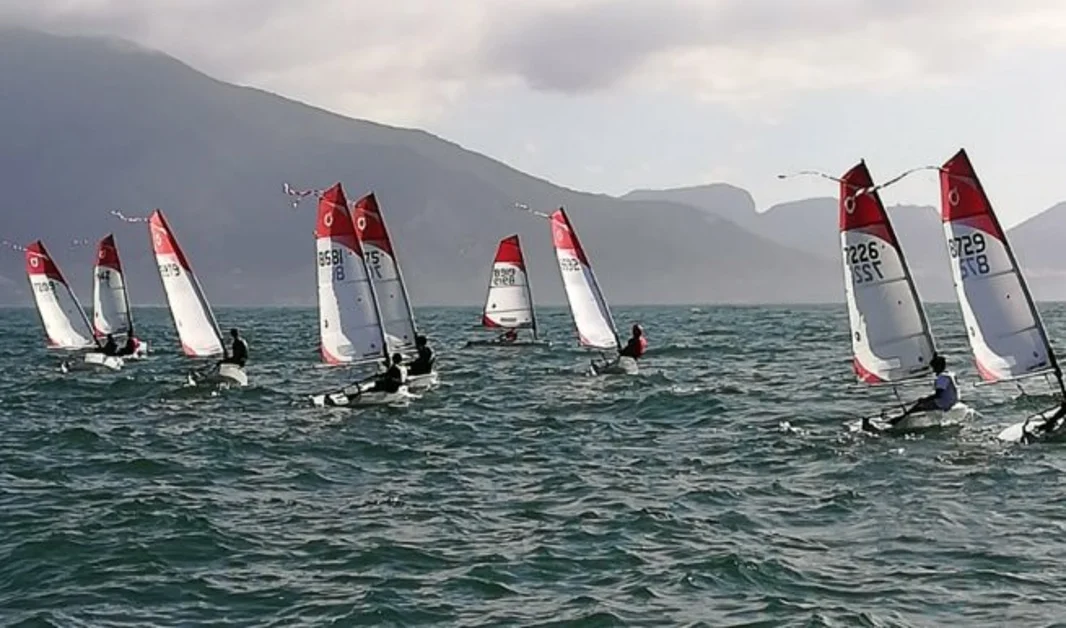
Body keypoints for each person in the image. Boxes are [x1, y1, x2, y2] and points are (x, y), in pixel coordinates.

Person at [862, 354, 957, 432]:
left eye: (934, 367)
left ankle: (894, 422)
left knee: (918, 406)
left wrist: (925, 400)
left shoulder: (942, 377)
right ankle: (897, 419)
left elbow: (939, 394)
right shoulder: (949, 374)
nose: (933, 369)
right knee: (921, 403)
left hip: (943, 402)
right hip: (952, 400)